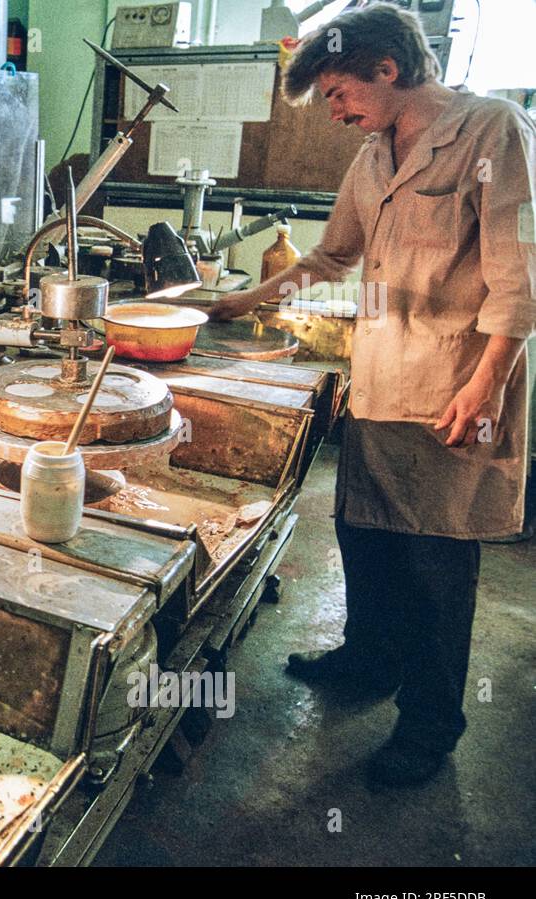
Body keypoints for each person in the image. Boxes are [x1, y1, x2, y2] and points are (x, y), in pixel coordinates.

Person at [206, 3, 535, 787]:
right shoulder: (374, 155)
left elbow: (519, 280)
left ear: (387, 68)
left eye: (336, 92)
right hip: (379, 381)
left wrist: (487, 385)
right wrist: (236, 304)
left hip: (454, 389)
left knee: (434, 568)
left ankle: (430, 725)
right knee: (366, 534)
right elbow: (331, 256)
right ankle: (368, 660)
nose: (334, 110)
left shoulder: (493, 131)